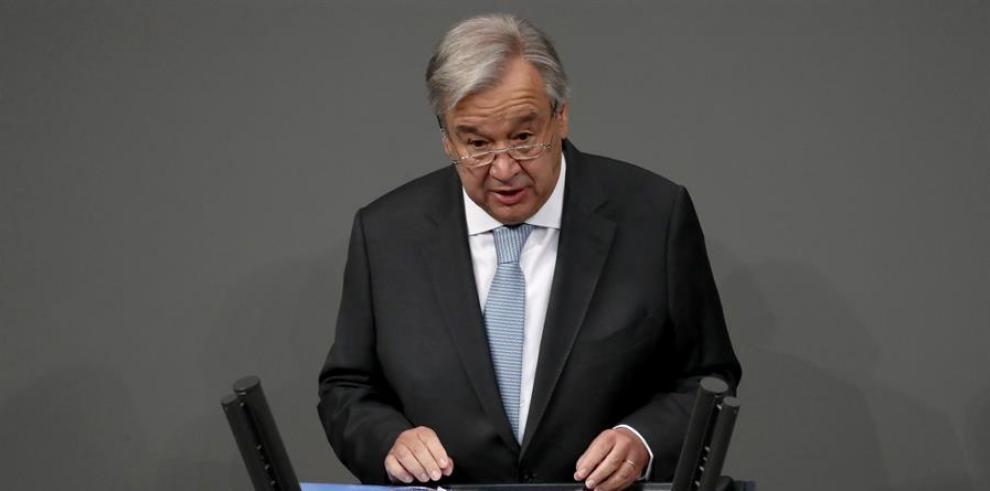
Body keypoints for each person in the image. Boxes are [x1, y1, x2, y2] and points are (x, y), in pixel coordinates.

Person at [317, 13, 740, 491]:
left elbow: (709, 378)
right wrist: (389, 441)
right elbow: (347, 388)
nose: (503, 169)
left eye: (523, 138)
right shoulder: (386, 234)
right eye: (477, 144)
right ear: (446, 139)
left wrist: (643, 441)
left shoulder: (654, 217)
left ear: (561, 116)